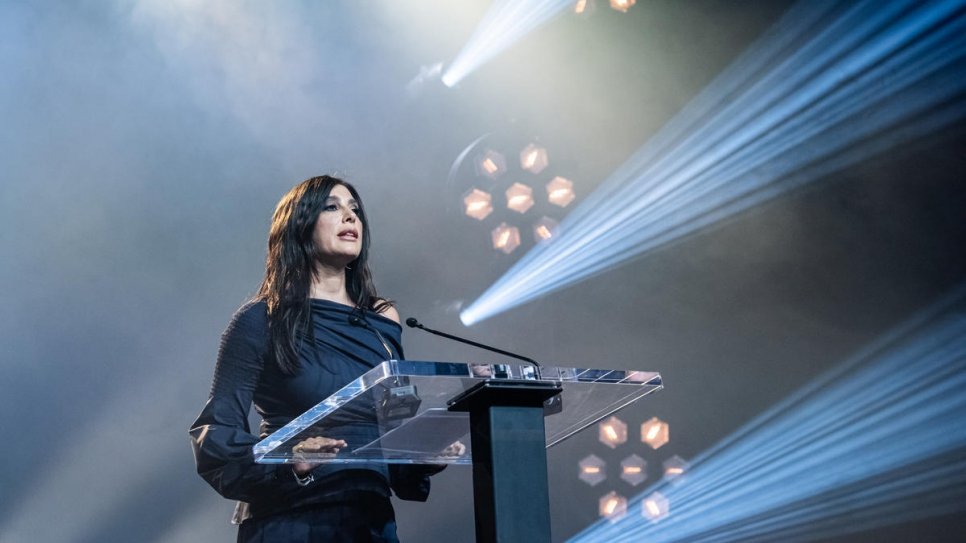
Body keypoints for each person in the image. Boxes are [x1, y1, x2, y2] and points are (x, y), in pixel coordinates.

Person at [189, 175, 442, 542]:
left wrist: (425, 454)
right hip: (290, 518)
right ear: (300, 225)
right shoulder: (261, 319)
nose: (351, 217)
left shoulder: (383, 320)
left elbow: (395, 426)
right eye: (333, 207)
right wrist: (288, 459)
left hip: (369, 520)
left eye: (355, 210)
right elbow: (216, 434)